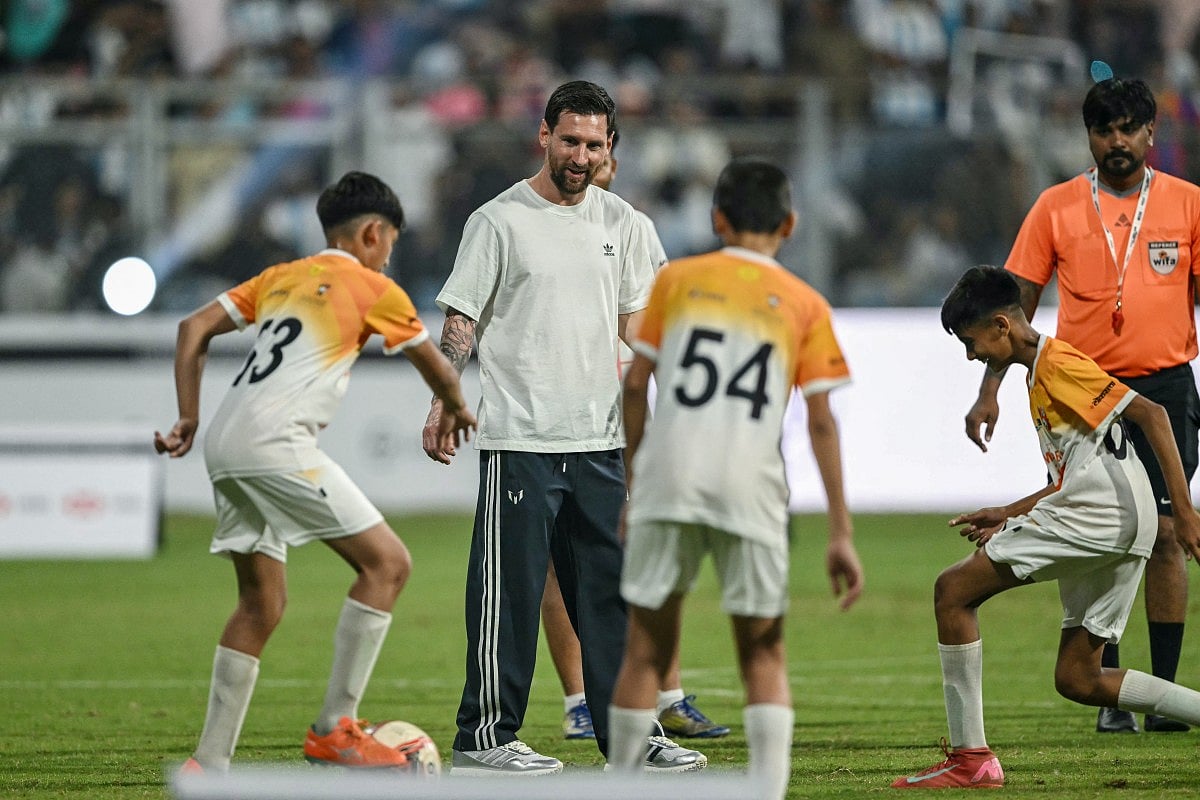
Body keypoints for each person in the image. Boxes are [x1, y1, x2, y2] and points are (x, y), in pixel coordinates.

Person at [421, 80, 706, 775]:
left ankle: (631, 736)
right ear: (543, 135)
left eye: (595, 144)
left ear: (611, 150)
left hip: (602, 442)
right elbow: (462, 320)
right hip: (521, 439)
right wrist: (443, 396)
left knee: (612, 599)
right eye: (570, 139)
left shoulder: (627, 225)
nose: (580, 155)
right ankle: (484, 738)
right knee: (508, 598)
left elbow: (641, 329)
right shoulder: (498, 221)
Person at [155, 171, 477, 773]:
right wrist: (457, 407)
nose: (387, 258)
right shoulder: (374, 286)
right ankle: (336, 728)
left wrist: (187, 417)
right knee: (388, 564)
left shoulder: (283, 277)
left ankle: (209, 763)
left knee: (261, 603)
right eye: (389, 247)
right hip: (277, 443)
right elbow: (437, 365)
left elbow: (191, 328)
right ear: (375, 234)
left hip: (224, 440)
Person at [606, 157, 865, 800]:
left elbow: (635, 387)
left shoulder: (677, 281)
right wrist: (840, 531)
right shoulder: (806, 304)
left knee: (644, 648)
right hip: (750, 486)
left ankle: (620, 790)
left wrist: (636, 480)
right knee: (762, 654)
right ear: (791, 224)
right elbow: (822, 423)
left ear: (716, 218)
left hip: (669, 481)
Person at [893, 266, 1200, 790]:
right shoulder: (1042, 371)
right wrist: (1009, 511)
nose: (974, 357)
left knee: (952, 592)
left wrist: (1187, 511)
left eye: (972, 343)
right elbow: (1082, 469)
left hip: (1101, 514)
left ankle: (972, 761)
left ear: (1001, 326)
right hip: (1123, 516)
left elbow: (1152, 415)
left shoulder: (1057, 365)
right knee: (1078, 678)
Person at [964, 73, 1200, 734]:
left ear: (1152, 134)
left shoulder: (1188, 205)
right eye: (1105, 130)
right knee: (1095, 527)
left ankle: (1165, 696)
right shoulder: (1056, 207)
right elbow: (1014, 308)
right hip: (1081, 389)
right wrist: (989, 390)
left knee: (1164, 538)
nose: (1117, 141)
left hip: (1163, 386)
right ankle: (1111, 696)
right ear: (1089, 135)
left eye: (1130, 129)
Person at [540, 126, 730, 742]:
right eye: (578, 149)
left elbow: (663, 327)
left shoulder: (632, 230)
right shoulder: (529, 224)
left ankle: (664, 692)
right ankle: (579, 700)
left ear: (612, 163)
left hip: (629, 414)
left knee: (650, 548)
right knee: (556, 557)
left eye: (600, 154)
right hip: (555, 416)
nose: (591, 164)